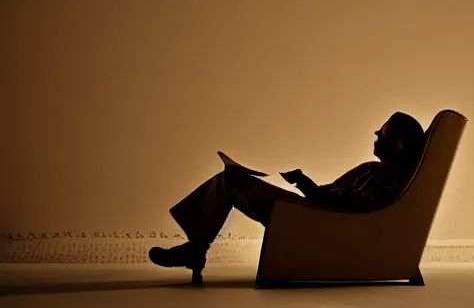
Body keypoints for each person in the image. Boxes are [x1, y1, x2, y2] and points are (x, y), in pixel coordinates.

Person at [149, 111, 425, 281]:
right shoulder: (375, 169)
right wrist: (308, 186)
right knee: (231, 179)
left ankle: (195, 250)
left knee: (232, 181)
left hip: (316, 220)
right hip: (314, 211)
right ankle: (196, 249)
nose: (377, 133)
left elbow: (356, 208)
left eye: (384, 131)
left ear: (398, 144)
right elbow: (337, 196)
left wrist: (306, 184)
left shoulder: (385, 176)